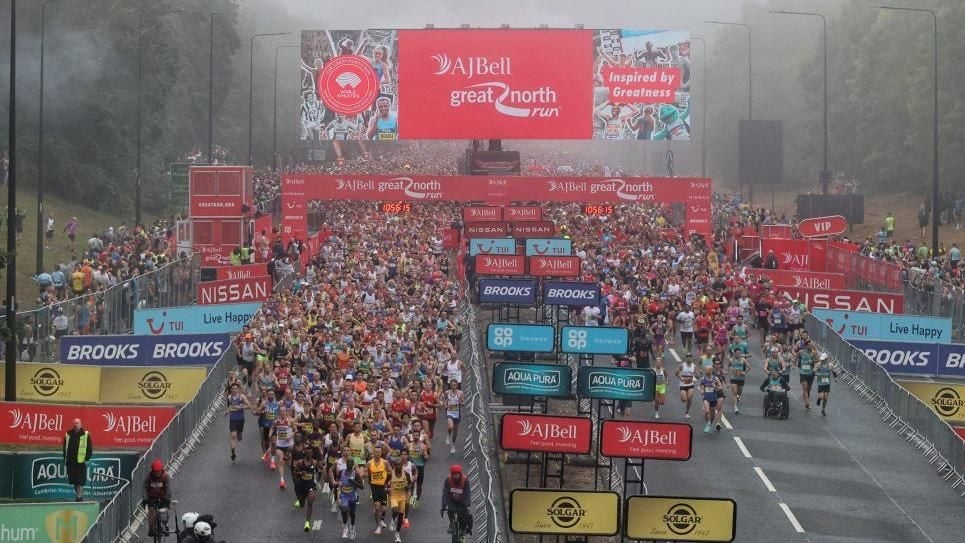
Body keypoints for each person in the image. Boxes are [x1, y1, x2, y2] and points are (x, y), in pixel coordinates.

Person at [63, 418, 92, 501]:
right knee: (75, 483)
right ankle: (80, 495)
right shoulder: (68, 434)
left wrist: (87, 458)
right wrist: (65, 459)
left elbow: (89, 448)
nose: (75, 425)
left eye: (77, 423)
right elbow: (65, 448)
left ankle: (79, 498)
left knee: (80, 482)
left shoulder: (85, 434)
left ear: (80, 424)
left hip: (80, 463)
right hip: (71, 463)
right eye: (74, 423)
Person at [441, 464, 473, 537]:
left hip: (463, 501)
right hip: (452, 500)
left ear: (460, 473)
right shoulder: (448, 480)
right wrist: (443, 505)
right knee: (450, 511)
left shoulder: (465, 480)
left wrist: (468, 504)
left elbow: (468, 493)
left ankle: (463, 531)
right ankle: (452, 524)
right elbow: (445, 492)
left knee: (463, 518)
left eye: (457, 474)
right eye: (453, 474)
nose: (455, 476)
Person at [143, 459, 172, 537]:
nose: (157, 473)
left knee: (165, 511)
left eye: (158, 471)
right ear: (153, 470)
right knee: (151, 511)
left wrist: (167, 498)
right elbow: (144, 488)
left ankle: (166, 525)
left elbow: (168, 489)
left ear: (161, 470)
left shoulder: (166, 476)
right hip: (152, 498)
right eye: (155, 471)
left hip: (163, 498)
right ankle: (151, 528)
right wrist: (145, 499)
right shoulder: (149, 477)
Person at [366, 445, 391, 535]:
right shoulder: (369, 463)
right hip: (374, 487)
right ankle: (378, 527)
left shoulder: (385, 463)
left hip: (383, 487)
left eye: (379, 452)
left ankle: (381, 520)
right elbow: (367, 473)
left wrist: (388, 484)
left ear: (381, 453)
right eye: (376, 452)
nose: (377, 453)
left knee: (384, 509)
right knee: (377, 508)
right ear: (373, 453)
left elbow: (390, 473)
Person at [225, 382, 252, 462]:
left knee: (239, 437)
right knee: (233, 436)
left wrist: (241, 407)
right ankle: (233, 452)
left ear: (238, 389)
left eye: (236, 388)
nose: (234, 390)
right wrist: (227, 412)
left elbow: (249, 406)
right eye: (233, 389)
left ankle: (240, 433)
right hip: (232, 419)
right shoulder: (229, 397)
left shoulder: (241, 397)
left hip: (240, 419)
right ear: (231, 390)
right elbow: (230, 407)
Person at [293, 453, 319, 532]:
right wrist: (300, 473)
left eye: (311, 453)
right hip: (301, 486)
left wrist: (316, 479)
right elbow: (294, 472)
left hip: (310, 486)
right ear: (305, 453)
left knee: (310, 503)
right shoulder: (300, 462)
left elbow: (318, 471)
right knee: (302, 504)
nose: (309, 454)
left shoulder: (314, 462)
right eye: (308, 452)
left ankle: (307, 523)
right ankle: (300, 500)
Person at [387, 460, 413, 542]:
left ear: (402, 466)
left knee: (401, 516)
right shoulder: (391, 474)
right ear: (394, 466)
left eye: (400, 465)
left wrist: (408, 487)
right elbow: (385, 483)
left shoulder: (406, 474)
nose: (398, 466)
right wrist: (386, 488)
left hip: (402, 497)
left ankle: (397, 534)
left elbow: (410, 483)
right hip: (394, 496)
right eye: (396, 465)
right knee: (395, 509)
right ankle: (393, 519)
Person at [815, 352, 838, 416]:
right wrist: (816, 374)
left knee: (825, 398)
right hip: (820, 383)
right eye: (821, 359)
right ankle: (819, 399)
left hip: (827, 383)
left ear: (826, 359)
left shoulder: (830, 365)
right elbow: (814, 371)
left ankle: (823, 409)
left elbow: (834, 372)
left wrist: (835, 378)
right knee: (821, 397)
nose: (822, 360)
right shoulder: (818, 364)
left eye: (823, 359)